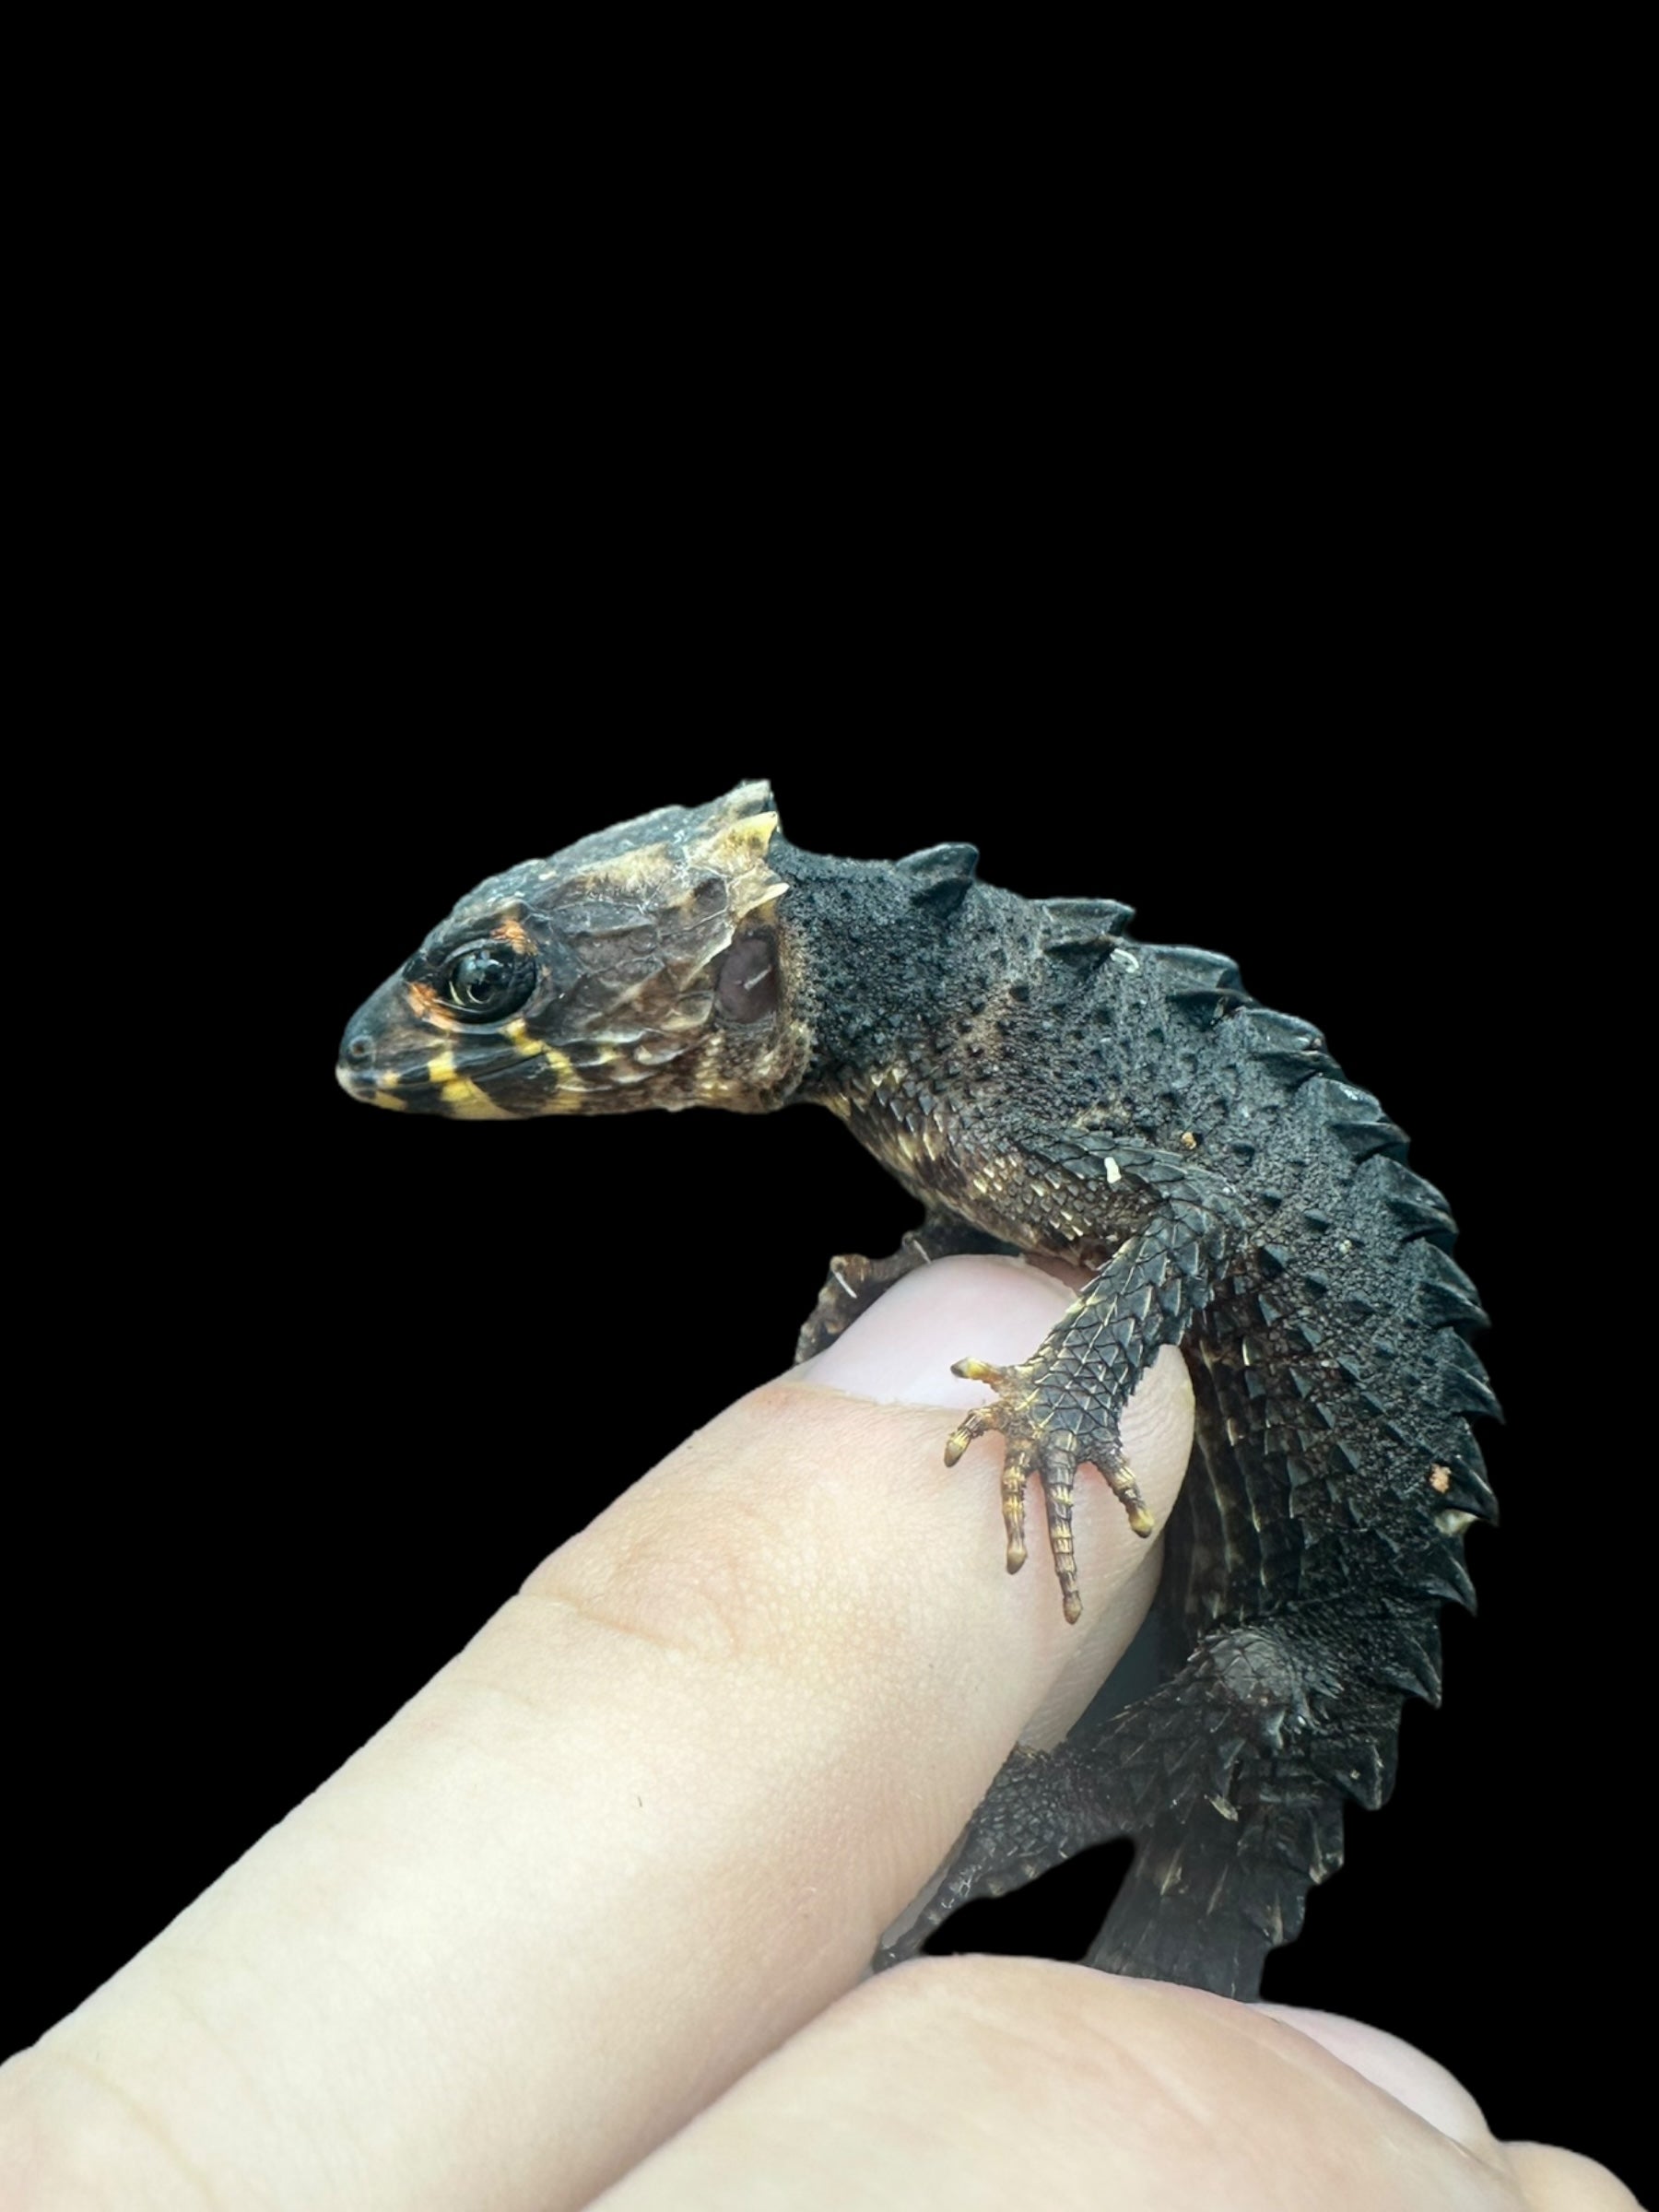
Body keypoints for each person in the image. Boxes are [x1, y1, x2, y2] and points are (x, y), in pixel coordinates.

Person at [0, 1262, 1632, 2207]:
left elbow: (1197, 1218)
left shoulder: (985, 1039)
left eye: (501, 993)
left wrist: (1064, 1401)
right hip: (1214, 1614)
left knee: (1071, 1936)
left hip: (1284, 1658)